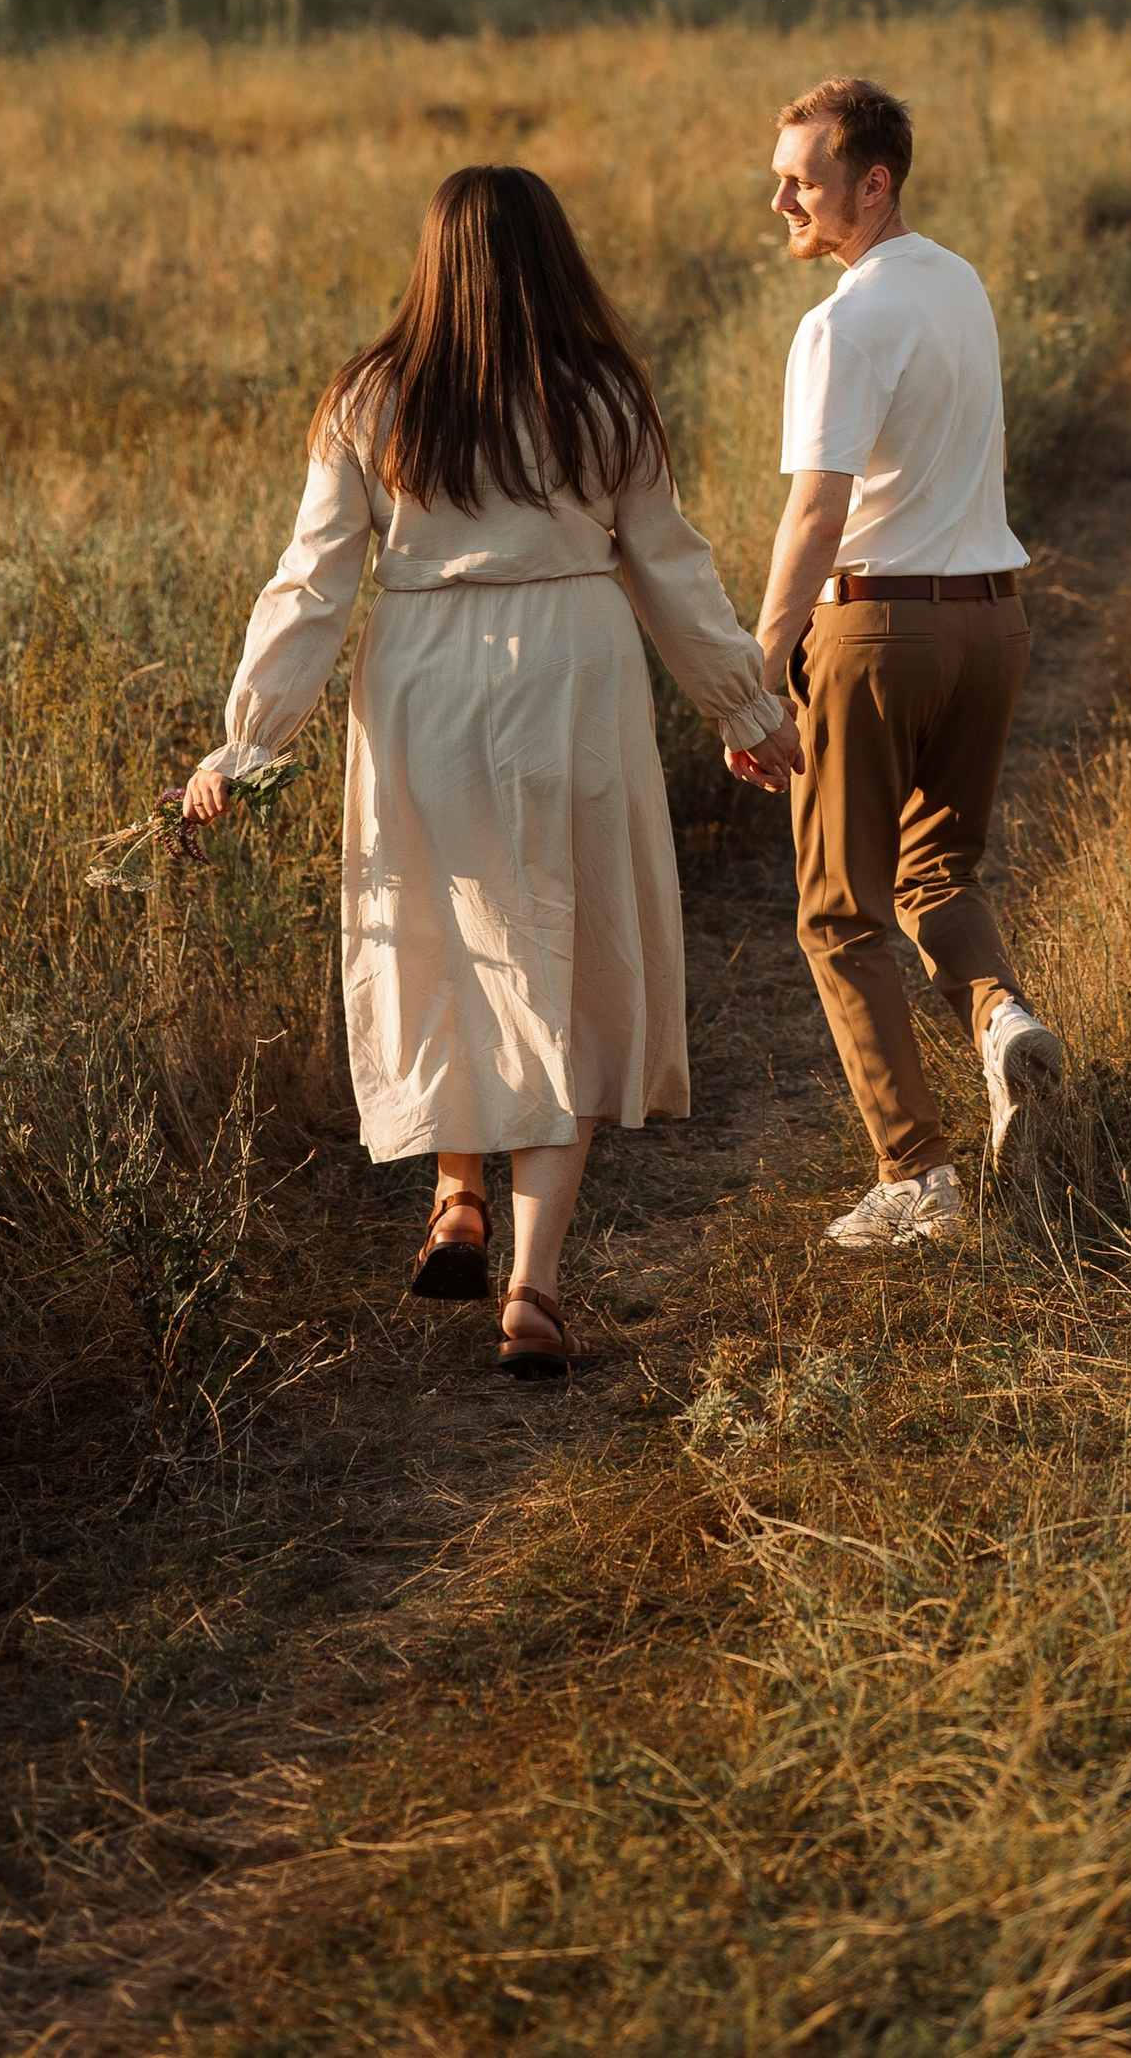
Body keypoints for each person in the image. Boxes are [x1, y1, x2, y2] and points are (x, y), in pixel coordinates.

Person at [183, 163, 800, 1374]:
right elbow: (671, 566)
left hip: (421, 676)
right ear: (551, 256)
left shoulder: (369, 398)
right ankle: (534, 1288)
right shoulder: (600, 394)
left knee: (442, 932)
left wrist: (251, 743)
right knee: (558, 955)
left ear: (434, 260)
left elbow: (311, 582)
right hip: (571, 672)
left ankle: (456, 1195)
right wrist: (745, 700)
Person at [741, 74, 1065, 1248]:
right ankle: (1002, 1018)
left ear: (871, 183)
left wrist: (759, 665)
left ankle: (916, 1178)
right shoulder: (958, 280)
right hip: (992, 620)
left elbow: (816, 516)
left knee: (836, 912)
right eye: (781, 174)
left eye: (805, 180)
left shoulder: (838, 321)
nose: (781, 197)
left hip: (877, 630)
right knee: (936, 871)